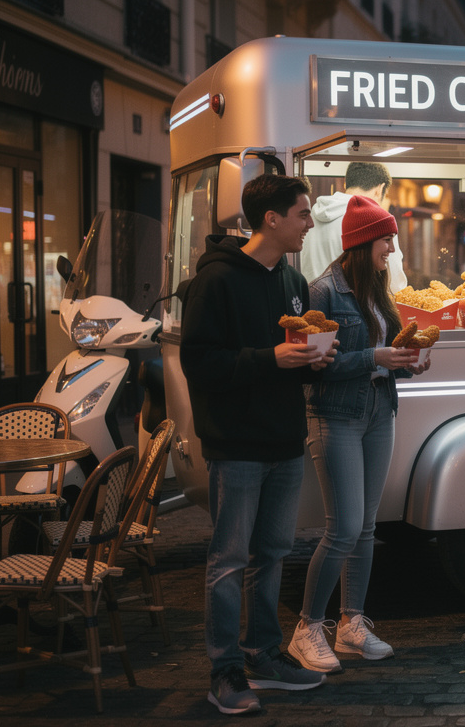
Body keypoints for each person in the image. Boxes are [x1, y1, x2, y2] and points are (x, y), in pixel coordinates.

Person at [180, 174, 333, 715]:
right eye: (303, 213)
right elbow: (198, 362)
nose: (310, 223)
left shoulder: (292, 279)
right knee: (228, 560)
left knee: (271, 554)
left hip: (285, 440)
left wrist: (313, 359)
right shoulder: (216, 281)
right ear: (272, 219)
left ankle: (264, 653)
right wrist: (272, 358)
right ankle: (225, 671)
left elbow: (287, 355)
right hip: (237, 444)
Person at [289, 196, 431, 673]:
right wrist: (376, 359)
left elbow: (386, 355)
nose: (392, 247)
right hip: (334, 416)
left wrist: (408, 362)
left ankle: (352, 624)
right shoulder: (322, 292)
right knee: (344, 527)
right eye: (386, 239)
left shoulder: (379, 290)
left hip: (377, 413)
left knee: (367, 527)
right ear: (363, 241)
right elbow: (313, 370)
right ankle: (307, 627)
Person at [301, 162, 408, 292]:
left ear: (346, 183)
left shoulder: (310, 216)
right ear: (380, 189)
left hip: (310, 304)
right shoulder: (378, 221)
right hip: (354, 308)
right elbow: (395, 285)